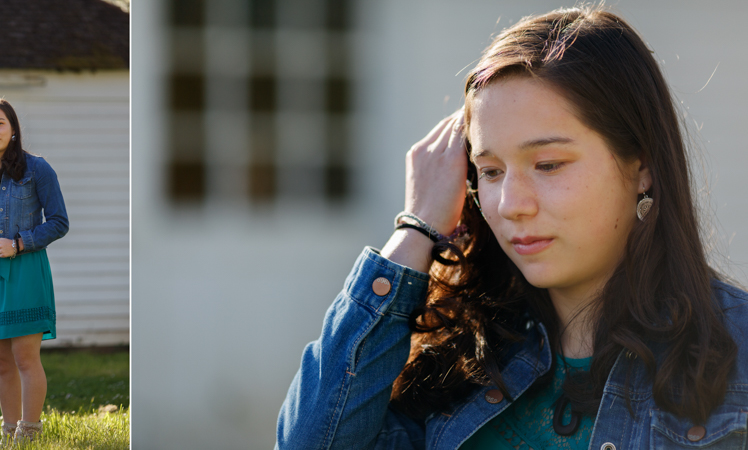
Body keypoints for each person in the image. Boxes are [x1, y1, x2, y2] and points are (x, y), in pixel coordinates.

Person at [277, 6, 748, 450]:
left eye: (548, 164)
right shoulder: (455, 363)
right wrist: (417, 230)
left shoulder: (738, 352)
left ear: (642, 166)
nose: (510, 205)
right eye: (491, 170)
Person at [0, 98, 69, 444]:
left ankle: (30, 433)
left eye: (0, 123)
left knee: (25, 358)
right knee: (2, 363)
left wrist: (19, 243)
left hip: (24, 270)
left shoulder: (37, 170)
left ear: (14, 128)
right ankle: (9, 433)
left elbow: (59, 222)